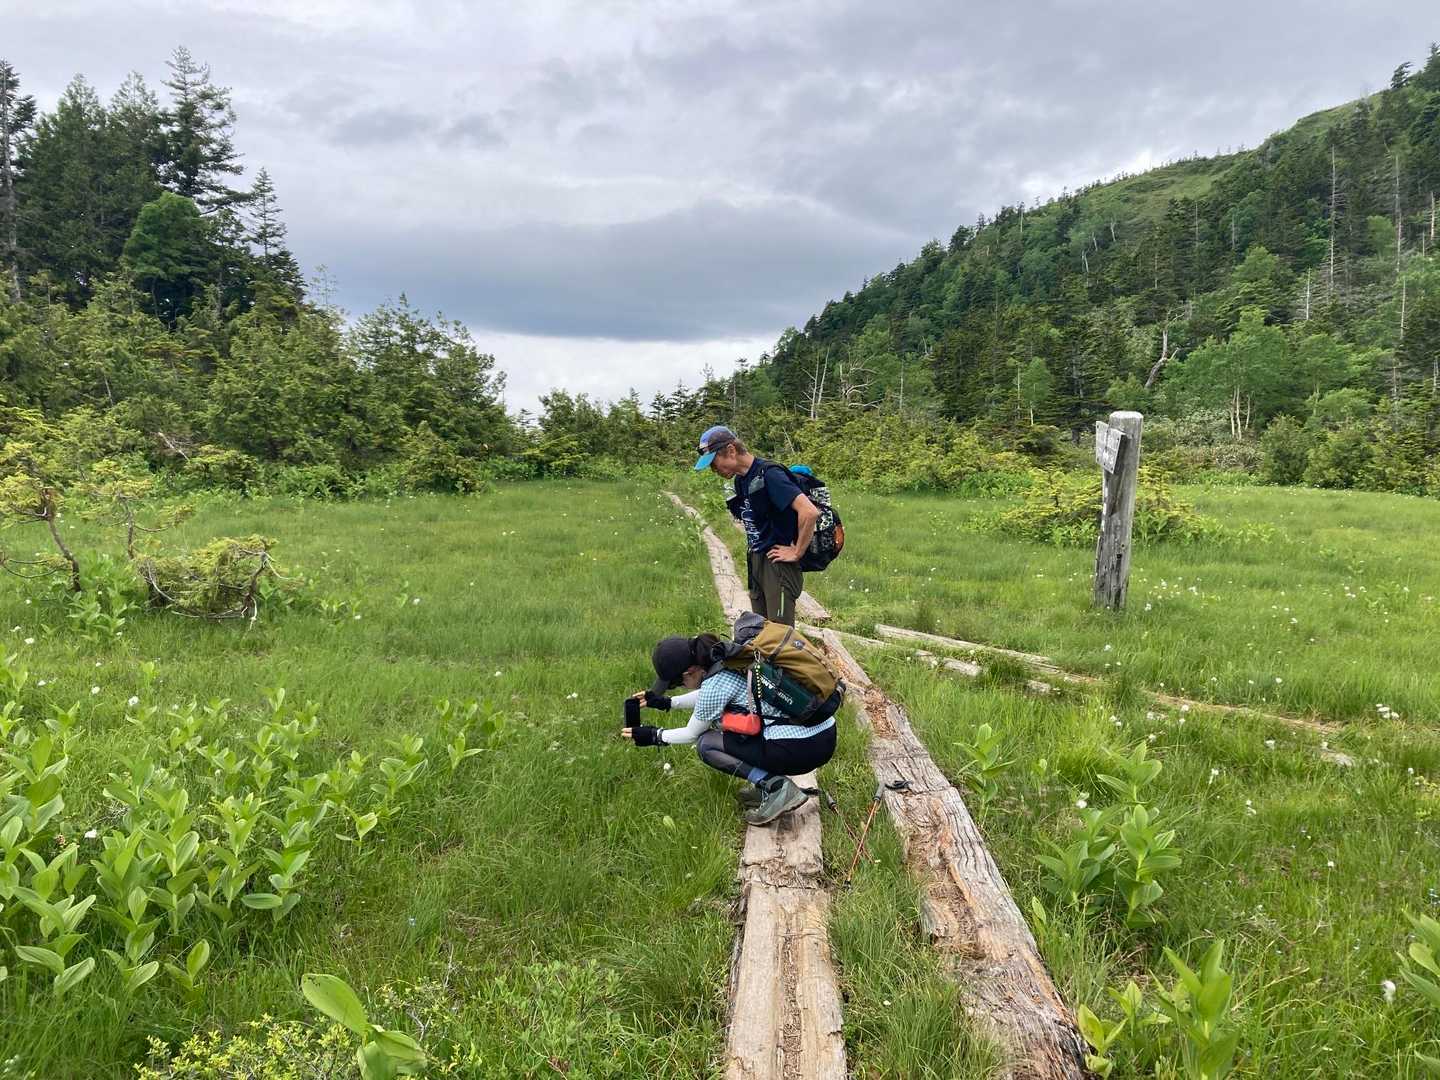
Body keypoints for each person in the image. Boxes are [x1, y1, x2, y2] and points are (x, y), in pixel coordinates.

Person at [620, 632, 837, 825]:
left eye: (677, 684)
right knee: (735, 731)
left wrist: (654, 735)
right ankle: (768, 785)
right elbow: (711, 694)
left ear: (689, 671)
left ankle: (776, 787)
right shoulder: (728, 657)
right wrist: (668, 703)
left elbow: (691, 733)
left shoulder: (715, 684)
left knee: (707, 745)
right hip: (822, 732)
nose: (679, 688)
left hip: (803, 748)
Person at [694, 425, 819, 627]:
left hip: (777, 565)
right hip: (756, 559)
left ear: (731, 450)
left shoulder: (770, 474)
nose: (713, 469)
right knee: (760, 630)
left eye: (714, 462)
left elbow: (809, 512)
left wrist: (797, 552)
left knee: (779, 633)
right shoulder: (741, 480)